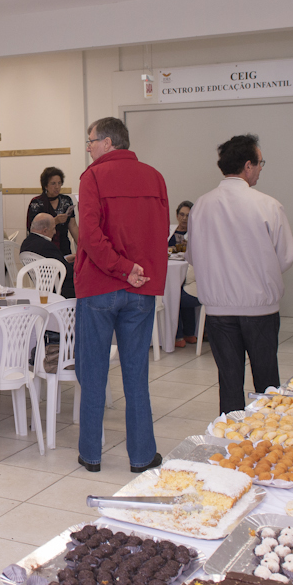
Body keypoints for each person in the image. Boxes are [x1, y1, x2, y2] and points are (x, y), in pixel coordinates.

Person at [74, 117, 168, 474]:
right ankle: (142, 456)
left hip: (100, 286)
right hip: (140, 288)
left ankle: (91, 455)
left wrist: (121, 267)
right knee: (136, 375)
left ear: (108, 142)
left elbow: (90, 236)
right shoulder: (155, 177)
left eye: (91, 141)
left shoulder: (93, 177)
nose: (88, 148)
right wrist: (139, 273)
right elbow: (159, 233)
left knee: (93, 373)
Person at [188, 134, 293, 414]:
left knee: (229, 380)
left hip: (218, 309)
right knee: (267, 381)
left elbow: (193, 257)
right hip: (260, 308)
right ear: (248, 166)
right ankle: (269, 432)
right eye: (260, 163)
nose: (260, 169)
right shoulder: (268, 205)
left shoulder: (201, 206)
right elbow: (285, 257)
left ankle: (231, 433)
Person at [26, 167, 78, 257]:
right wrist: (55, 221)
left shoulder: (66, 201)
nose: (57, 187)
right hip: (43, 248)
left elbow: (73, 226)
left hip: (64, 247)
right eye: (53, 183)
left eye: (59, 183)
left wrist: (83, 246)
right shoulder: (37, 203)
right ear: (45, 186)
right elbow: (34, 229)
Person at [20, 212, 76, 297]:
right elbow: (67, 271)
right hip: (61, 290)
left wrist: (65, 259)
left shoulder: (26, 243)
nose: (54, 232)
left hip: (45, 287)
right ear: (45, 231)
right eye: (53, 229)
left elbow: (49, 261)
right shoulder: (46, 245)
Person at [169, 201, 200, 348]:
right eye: (181, 214)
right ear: (176, 215)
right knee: (174, 291)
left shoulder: (196, 234)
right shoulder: (169, 232)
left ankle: (185, 334)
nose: (184, 218)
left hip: (191, 278)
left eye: (188, 215)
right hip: (172, 268)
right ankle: (182, 334)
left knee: (178, 295)